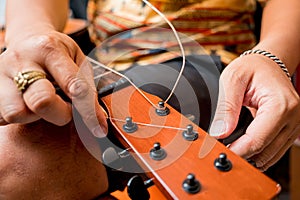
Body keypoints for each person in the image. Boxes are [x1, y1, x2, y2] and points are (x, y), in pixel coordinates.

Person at [0, 0, 299, 198]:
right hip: (96, 62)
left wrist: (272, 55)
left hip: (205, 62)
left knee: (16, 162)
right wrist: (31, 34)